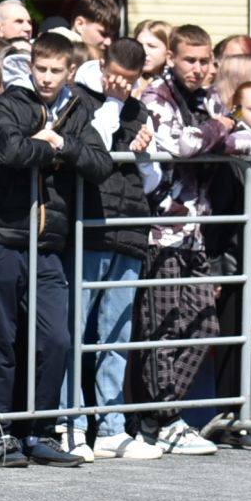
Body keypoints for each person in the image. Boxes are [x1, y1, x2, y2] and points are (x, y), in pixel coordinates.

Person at [0, 30, 114, 467]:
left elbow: (101, 164)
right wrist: (48, 148)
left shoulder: (78, 109)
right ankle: (0, 432)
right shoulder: (8, 103)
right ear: (31, 65)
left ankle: (40, 430)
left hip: (49, 244)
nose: (46, 77)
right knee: (3, 340)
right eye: (41, 69)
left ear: (69, 71)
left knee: (55, 338)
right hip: (6, 236)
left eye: (56, 71)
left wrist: (63, 144)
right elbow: (10, 150)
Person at [136, 26, 251, 454]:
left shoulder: (208, 100)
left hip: (196, 230)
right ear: (171, 57)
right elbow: (180, 144)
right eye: (191, 60)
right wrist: (220, 131)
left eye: (206, 61)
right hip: (161, 230)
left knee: (203, 324)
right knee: (164, 327)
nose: (199, 68)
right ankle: (162, 421)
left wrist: (218, 130)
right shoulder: (155, 96)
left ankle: (160, 414)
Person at [60, 37, 160, 460]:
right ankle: (70, 423)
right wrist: (113, 107)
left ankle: (111, 427)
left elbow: (152, 181)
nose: (121, 86)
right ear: (103, 65)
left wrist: (144, 154)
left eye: (131, 81)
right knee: (74, 332)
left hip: (129, 228)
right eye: (116, 76)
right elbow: (89, 154)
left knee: (116, 335)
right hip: (89, 227)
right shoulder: (80, 102)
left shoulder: (140, 111)